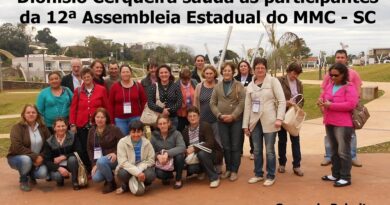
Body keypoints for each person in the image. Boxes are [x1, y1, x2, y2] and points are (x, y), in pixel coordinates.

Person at [242, 58, 286, 187]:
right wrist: (245, 125)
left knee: (270, 150)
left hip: (270, 120)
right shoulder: (250, 85)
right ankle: (258, 174)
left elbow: (282, 101)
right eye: (257, 68)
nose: (260, 70)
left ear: (266, 69)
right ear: (253, 69)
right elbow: (247, 106)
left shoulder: (273, 81)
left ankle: (271, 175)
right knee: (256, 150)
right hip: (255, 122)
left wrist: (279, 118)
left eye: (262, 67)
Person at [320, 49, 363, 167]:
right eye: (338, 57)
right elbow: (324, 89)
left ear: (346, 59)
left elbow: (358, 89)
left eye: (342, 57)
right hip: (330, 112)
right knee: (330, 135)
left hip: (348, 112)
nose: (340, 59)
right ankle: (329, 156)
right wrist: (322, 103)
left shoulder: (353, 74)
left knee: (350, 135)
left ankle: (352, 156)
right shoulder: (329, 74)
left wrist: (356, 105)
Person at [318, 63, 358, 187]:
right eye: (331, 75)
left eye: (336, 75)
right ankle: (335, 174)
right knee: (333, 150)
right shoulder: (330, 85)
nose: (333, 77)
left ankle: (345, 177)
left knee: (343, 151)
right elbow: (324, 96)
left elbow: (351, 104)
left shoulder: (349, 87)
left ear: (343, 74)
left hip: (343, 124)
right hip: (329, 121)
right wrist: (320, 100)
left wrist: (331, 105)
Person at [210, 62, 245, 182]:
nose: (227, 72)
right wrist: (219, 115)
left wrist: (233, 116)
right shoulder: (217, 86)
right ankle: (229, 169)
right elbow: (212, 103)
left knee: (235, 146)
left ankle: (234, 170)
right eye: (224, 70)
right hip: (221, 121)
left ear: (233, 72)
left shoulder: (239, 85)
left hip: (236, 121)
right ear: (222, 72)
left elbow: (242, 103)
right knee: (226, 146)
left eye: (229, 70)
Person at [69, 68, 109, 173]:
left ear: (92, 77)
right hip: (81, 124)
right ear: (82, 78)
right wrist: (72, 124)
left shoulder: (101, 89)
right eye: (84, 77)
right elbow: (73, 108)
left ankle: (99, 167)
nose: (87, 78)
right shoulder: (78, 91)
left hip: (97, 124)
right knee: (84, 148)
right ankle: (88, 168)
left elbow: (106, 106)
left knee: (98, 146)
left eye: (88, 76)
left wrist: (108, 122)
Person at [7, 104, 50, 192]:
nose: (31, 114)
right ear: (23, 114)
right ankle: (23, 180)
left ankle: (30, 174)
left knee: (43, 173)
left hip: (38, 158)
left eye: (33, 112)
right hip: (17, 157)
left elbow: (49, 145)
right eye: (28, 112)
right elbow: (17, 147)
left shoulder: (43, 127)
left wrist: (41, 156)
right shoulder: (17, 127)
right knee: (26, 160)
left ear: (37, 114)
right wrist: (35, 157)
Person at [181, 107, 222, 188]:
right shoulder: (185, 131)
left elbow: (210, 143)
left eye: (194, 115)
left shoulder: (205, 126)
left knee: (201, 154)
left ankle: (214, 178)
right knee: (192, 169)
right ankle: (203, 170)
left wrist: (194, 148)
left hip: (212, 153)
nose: (192, 118)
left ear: (199, 117)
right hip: (195, 156)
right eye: (190, 116)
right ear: (187, 118)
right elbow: (184, 146)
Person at [193, 65, 223, 173]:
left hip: (216, 120)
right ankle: (205, 167)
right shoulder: (199, 86)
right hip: (203, 120)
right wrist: (195, 118)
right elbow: (195, 103)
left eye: (211, 73)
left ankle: (218, 164)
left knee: (218, 143)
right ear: (204, 74)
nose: (209, 75)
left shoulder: (219, 85)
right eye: (207, 73)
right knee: (203, 143)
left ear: (214, 74)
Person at [277, 62, 304, 176]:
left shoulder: (299, 83)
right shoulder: (279, 81)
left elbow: (302, 98)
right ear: (288, 71)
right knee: (282, 140)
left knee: (295, 140)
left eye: (297, 74)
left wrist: (298, 106)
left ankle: (297, 166)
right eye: (293, 73)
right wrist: (285, 103)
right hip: (282, 115)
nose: (295, 76)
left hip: (293, 116)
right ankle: (282, 164)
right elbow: (274, 97)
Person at [87, 108, 124, 193]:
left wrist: (116, 153)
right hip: (100, 161)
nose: (99, 119)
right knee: (96, 177)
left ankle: (111, 183)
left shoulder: (114, 129)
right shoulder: (91, 131)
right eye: (97, 117)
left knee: (101, 161)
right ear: (94, 118)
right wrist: (93, 164)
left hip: (115, 159)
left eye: (102, 117)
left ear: (106, 118)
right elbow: (89, 149)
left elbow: (124, 143)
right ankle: (109, 177)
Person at [115, 120, 156, 195]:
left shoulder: (147, 142)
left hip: (142, 167)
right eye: (133, 132)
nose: (136, 135)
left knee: (151, 175)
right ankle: (125, 185)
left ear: (142, 132)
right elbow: (123, 162)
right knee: (122, 173)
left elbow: (151, 160)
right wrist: (137, 173)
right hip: (128, 167)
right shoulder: (122, 142)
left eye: (138, 132)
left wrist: (139, 170)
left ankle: (144, 183)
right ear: (129, 132)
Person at [43, 118, 82, 190]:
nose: (61, 128)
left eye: (63, 126)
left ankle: (75, 181)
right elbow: (47, 161)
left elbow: (79, 152)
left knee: (72, 159)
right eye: (58, 126)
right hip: (58, 166)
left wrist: (64, 157)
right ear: (54, 128)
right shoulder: (49, 141)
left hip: (70, 164)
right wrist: (59, 168)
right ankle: (60, 180)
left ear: (67, 126)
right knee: (58, 177)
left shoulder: (73, 136)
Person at [109, 64, 147, 135]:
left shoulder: (138, 86)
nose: (125, 74)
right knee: (122, 140)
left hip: (135, 118)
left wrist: (142, 116)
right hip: (120, 120)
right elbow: (110, 104)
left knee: (136, 139)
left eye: (127, 72)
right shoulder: (114, 87)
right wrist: (112, 121)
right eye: (123, 72)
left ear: (131, 73)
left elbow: (144, 101)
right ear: (120, 74)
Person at [150, 116, 186, 189]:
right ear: (157, 125)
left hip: (175, 161)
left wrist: (167, 153)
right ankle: (168, 176)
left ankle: (178, 179)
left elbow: (182, 147)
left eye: (164, 123)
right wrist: (157, 156)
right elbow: (149, 152)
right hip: (162, 163)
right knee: (158, 173)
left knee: (180, 156)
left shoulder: (176, 133)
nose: (162, 126)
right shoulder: (153, 136)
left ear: (169, 123)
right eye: (160, 124)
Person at [234, 60, 255, 160]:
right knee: (239, 130)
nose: (243, 68)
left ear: (248, 68)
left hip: (250, 107)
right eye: (241, 66)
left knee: (251, 129)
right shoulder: (235, 79)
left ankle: (253, 151)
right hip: (238, 107)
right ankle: (239, 151)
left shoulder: (253, 78)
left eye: (245, 66)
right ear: (239, 68)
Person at [176, 67, 197, 132]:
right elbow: (173, 98)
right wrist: (179, 103)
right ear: (180, 78)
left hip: (193, 112)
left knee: (194, 129)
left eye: (188, 79)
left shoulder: (194, 82)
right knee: (181, 130)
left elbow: (198, 93)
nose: (186, 81)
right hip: (182, 113)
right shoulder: (176, 85)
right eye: (184, 79)